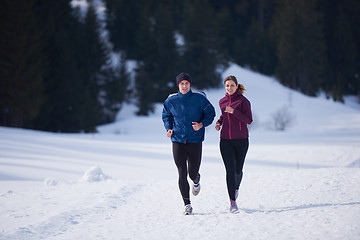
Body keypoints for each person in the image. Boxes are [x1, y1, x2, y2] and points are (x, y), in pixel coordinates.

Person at [162, 72, 216, 215]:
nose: (184, 86)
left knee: (192, 173)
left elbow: (211, 113)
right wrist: (169, 129)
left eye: (186, 83)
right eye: (181, 84)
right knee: (181, 172)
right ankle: (187, 204)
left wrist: (201, 124)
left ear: (190, 85)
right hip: (178, 140)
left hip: (195, 140)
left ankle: (196, 179)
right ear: (178, 85)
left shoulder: (200, 99)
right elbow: (166, 115)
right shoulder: (171, 101)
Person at [215, 75, 253, 213]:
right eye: (227, 86)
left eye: (231, 85)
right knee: (230, 171)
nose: (229, 88)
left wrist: (235, 112)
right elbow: (223, 115)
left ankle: (236, 187)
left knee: (238, 170)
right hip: (225, 140)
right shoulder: (222, 101)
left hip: (242, 141)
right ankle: (232, 201)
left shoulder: (244, 101)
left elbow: (249, 120)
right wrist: (219, 122)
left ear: (237, 86)